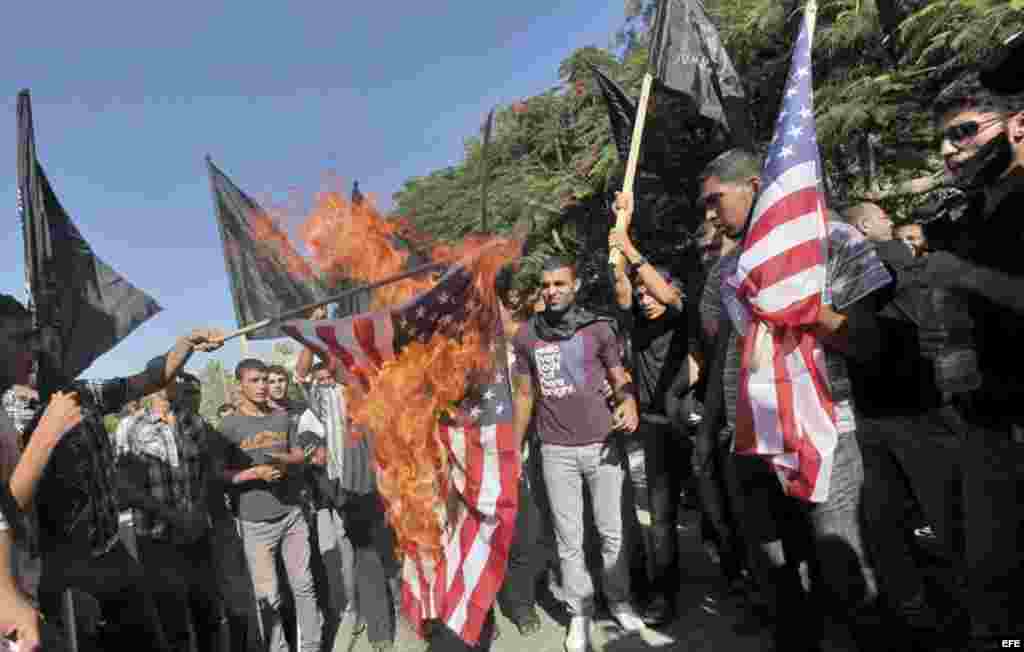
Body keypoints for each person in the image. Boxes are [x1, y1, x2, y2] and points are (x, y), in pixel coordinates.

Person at [698, 149, 890, 650]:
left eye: (716, 200)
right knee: (776, 569)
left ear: (755, 185)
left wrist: (809, 313)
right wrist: (714, 430)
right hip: (754, 438)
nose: (710, 215)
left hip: (826, 430)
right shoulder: (728, 271)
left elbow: (870, 343)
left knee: (842, 564)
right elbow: (730, 357)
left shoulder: (834, 239)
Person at [4, 290, 224, 651]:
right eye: (24, 339)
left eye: (39, 338)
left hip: (111, 553)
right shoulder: (9, 416)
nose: (39, 348)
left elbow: (147, 379)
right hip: (61, 569)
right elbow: (9, 508)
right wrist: (46, 432)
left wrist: (185, 344)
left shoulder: (80, 393)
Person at [914, 71, 1024, 647]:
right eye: (942, 138)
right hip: (984, 419)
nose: (949, 150)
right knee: (992, 588)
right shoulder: (966, 215)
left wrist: (966, 277)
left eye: (963, 132)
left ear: (1017, 124)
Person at [511, 256, 643, 652]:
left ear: (576, 285)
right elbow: (523, 394)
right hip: (555, 451)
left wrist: (629, 402)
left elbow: (620, 378)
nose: (551, 291)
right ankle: (580, 614)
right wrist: (515, 445)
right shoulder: (526, 336)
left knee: (611, 531)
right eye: (546, 285)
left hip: (603, 445)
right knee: (568, 538)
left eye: (559, 284)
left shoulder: (598, 328)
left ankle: (619, 600)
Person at [608, 209, 690, 627]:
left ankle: (739, 574)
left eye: (651, 291)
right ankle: (665, 594)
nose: (645, 297)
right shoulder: (636, 325)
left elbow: (666, 292)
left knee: (715, 508)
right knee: (661, 520)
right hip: (656, 430)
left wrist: (630, 248)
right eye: (643, 294)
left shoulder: (680, 315)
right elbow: (622, 284)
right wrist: (621, 225)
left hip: (692, 426)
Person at [215, 358, 320, 652]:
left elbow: (298, 453)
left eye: (264, 379)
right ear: (241, 385)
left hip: (291, 515)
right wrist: (253, 473)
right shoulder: (228, 426)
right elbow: (217, 475)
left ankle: (311, 646)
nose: (262, 386)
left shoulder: (281, 417)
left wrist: (287, 462)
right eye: (255, 381)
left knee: (304, 585)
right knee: (269, 597)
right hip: (255, 524)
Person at [117, 373, 226, 652]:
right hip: (157, 537)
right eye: (171, 378)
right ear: (155, 384)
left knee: (208, 614)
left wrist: (198, 511)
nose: (177, 384)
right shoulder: (130, 426)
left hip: (197, 535)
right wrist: (171, 515)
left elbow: (205, 472)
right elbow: (126, 488)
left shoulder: (193, 421)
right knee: (172, 619)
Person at [491, 268, 543, 638]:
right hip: (485, 451)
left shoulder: (534, 336)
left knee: (527, 531)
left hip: (530, 446)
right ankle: (494, 600)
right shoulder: (473, 343)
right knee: (494, 533)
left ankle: (522, 603)